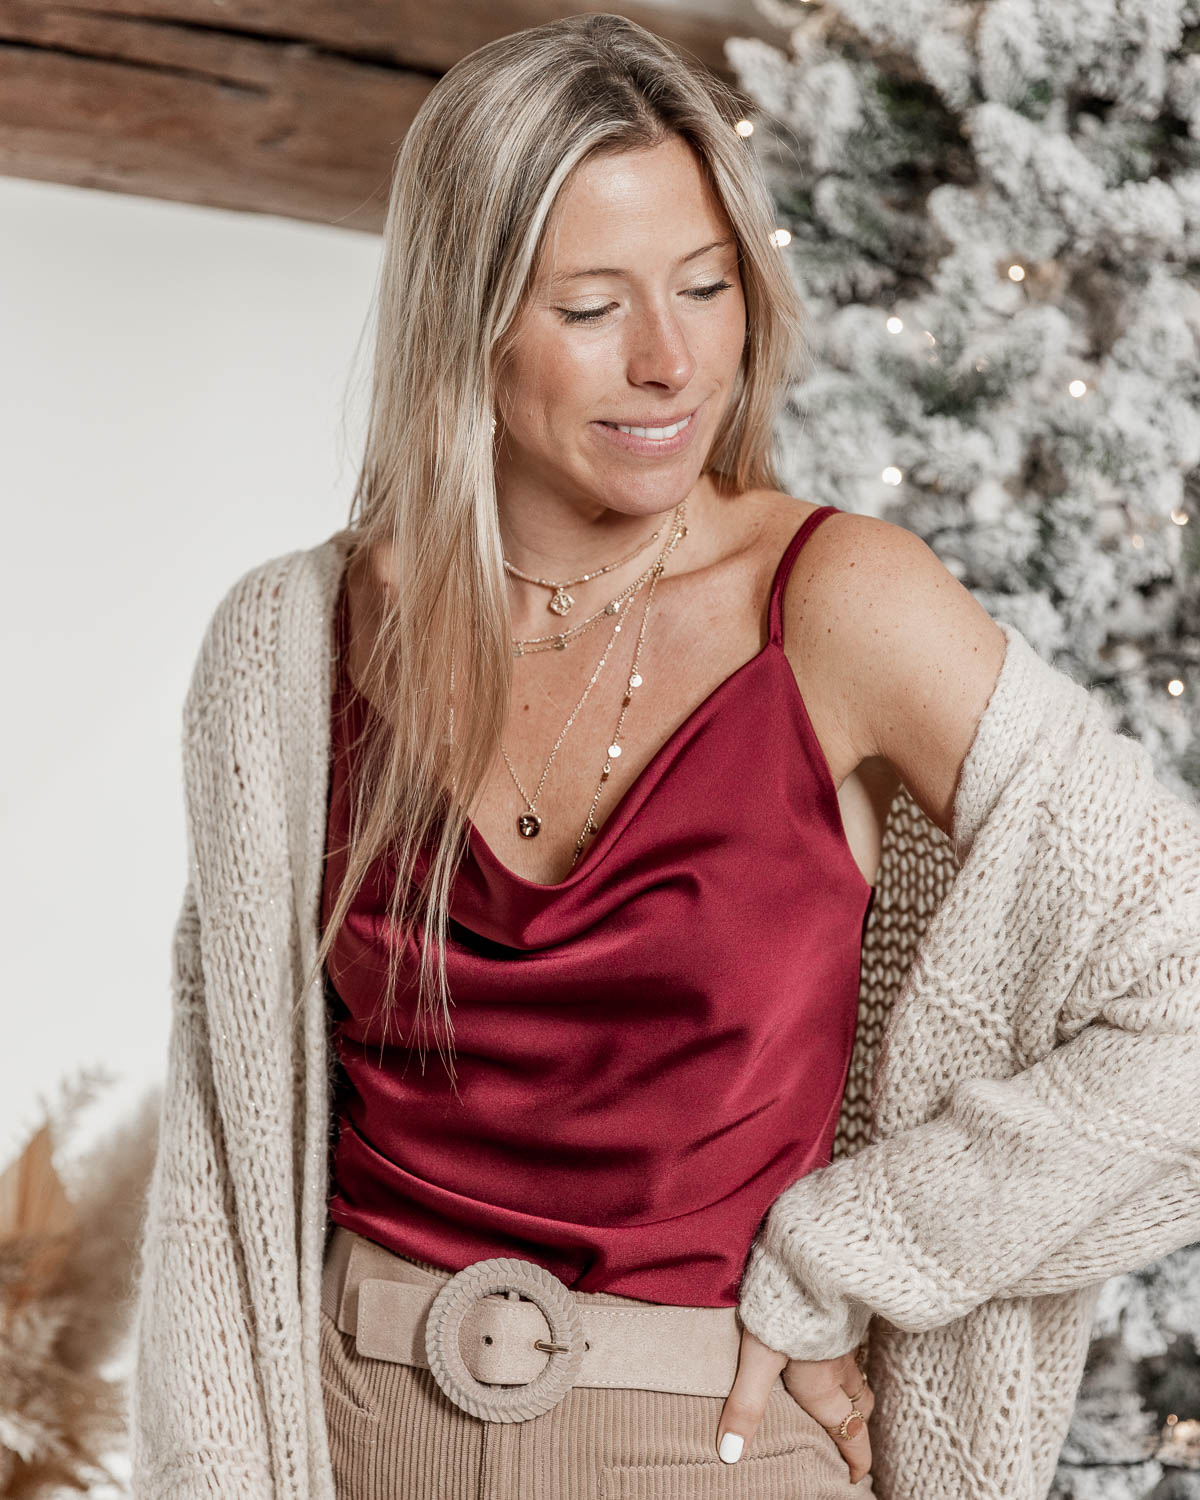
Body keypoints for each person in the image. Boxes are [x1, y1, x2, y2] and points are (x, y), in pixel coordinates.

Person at [129, 14, 1200, 1500]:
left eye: (707, 286)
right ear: (465, 321)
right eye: (592, 306)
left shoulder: (845, 606)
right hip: (353, 1433)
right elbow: (221, 1150)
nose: (670, 361)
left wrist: (851, 1255)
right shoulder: (290, 645)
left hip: (720, 1447)